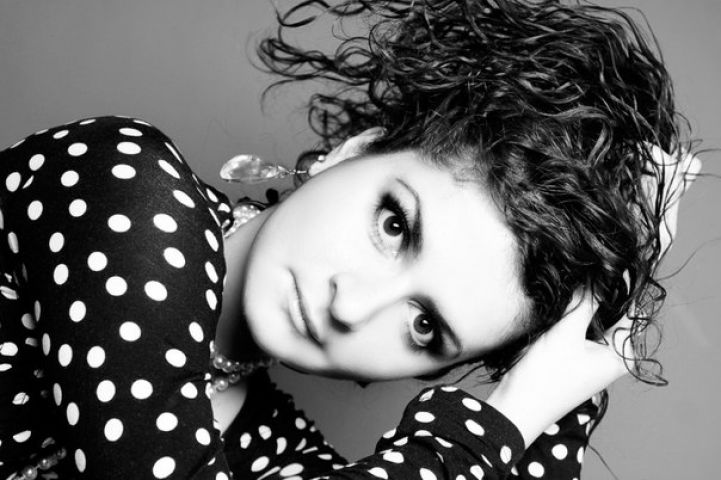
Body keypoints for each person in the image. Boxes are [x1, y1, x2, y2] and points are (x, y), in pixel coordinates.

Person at [0, 1, 702, 479]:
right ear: (352, 151)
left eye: (425, 327)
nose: (352, 306)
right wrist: (504, 421)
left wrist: (582, 344)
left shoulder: (265, 444)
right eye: (394, 226)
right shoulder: (123, 184)